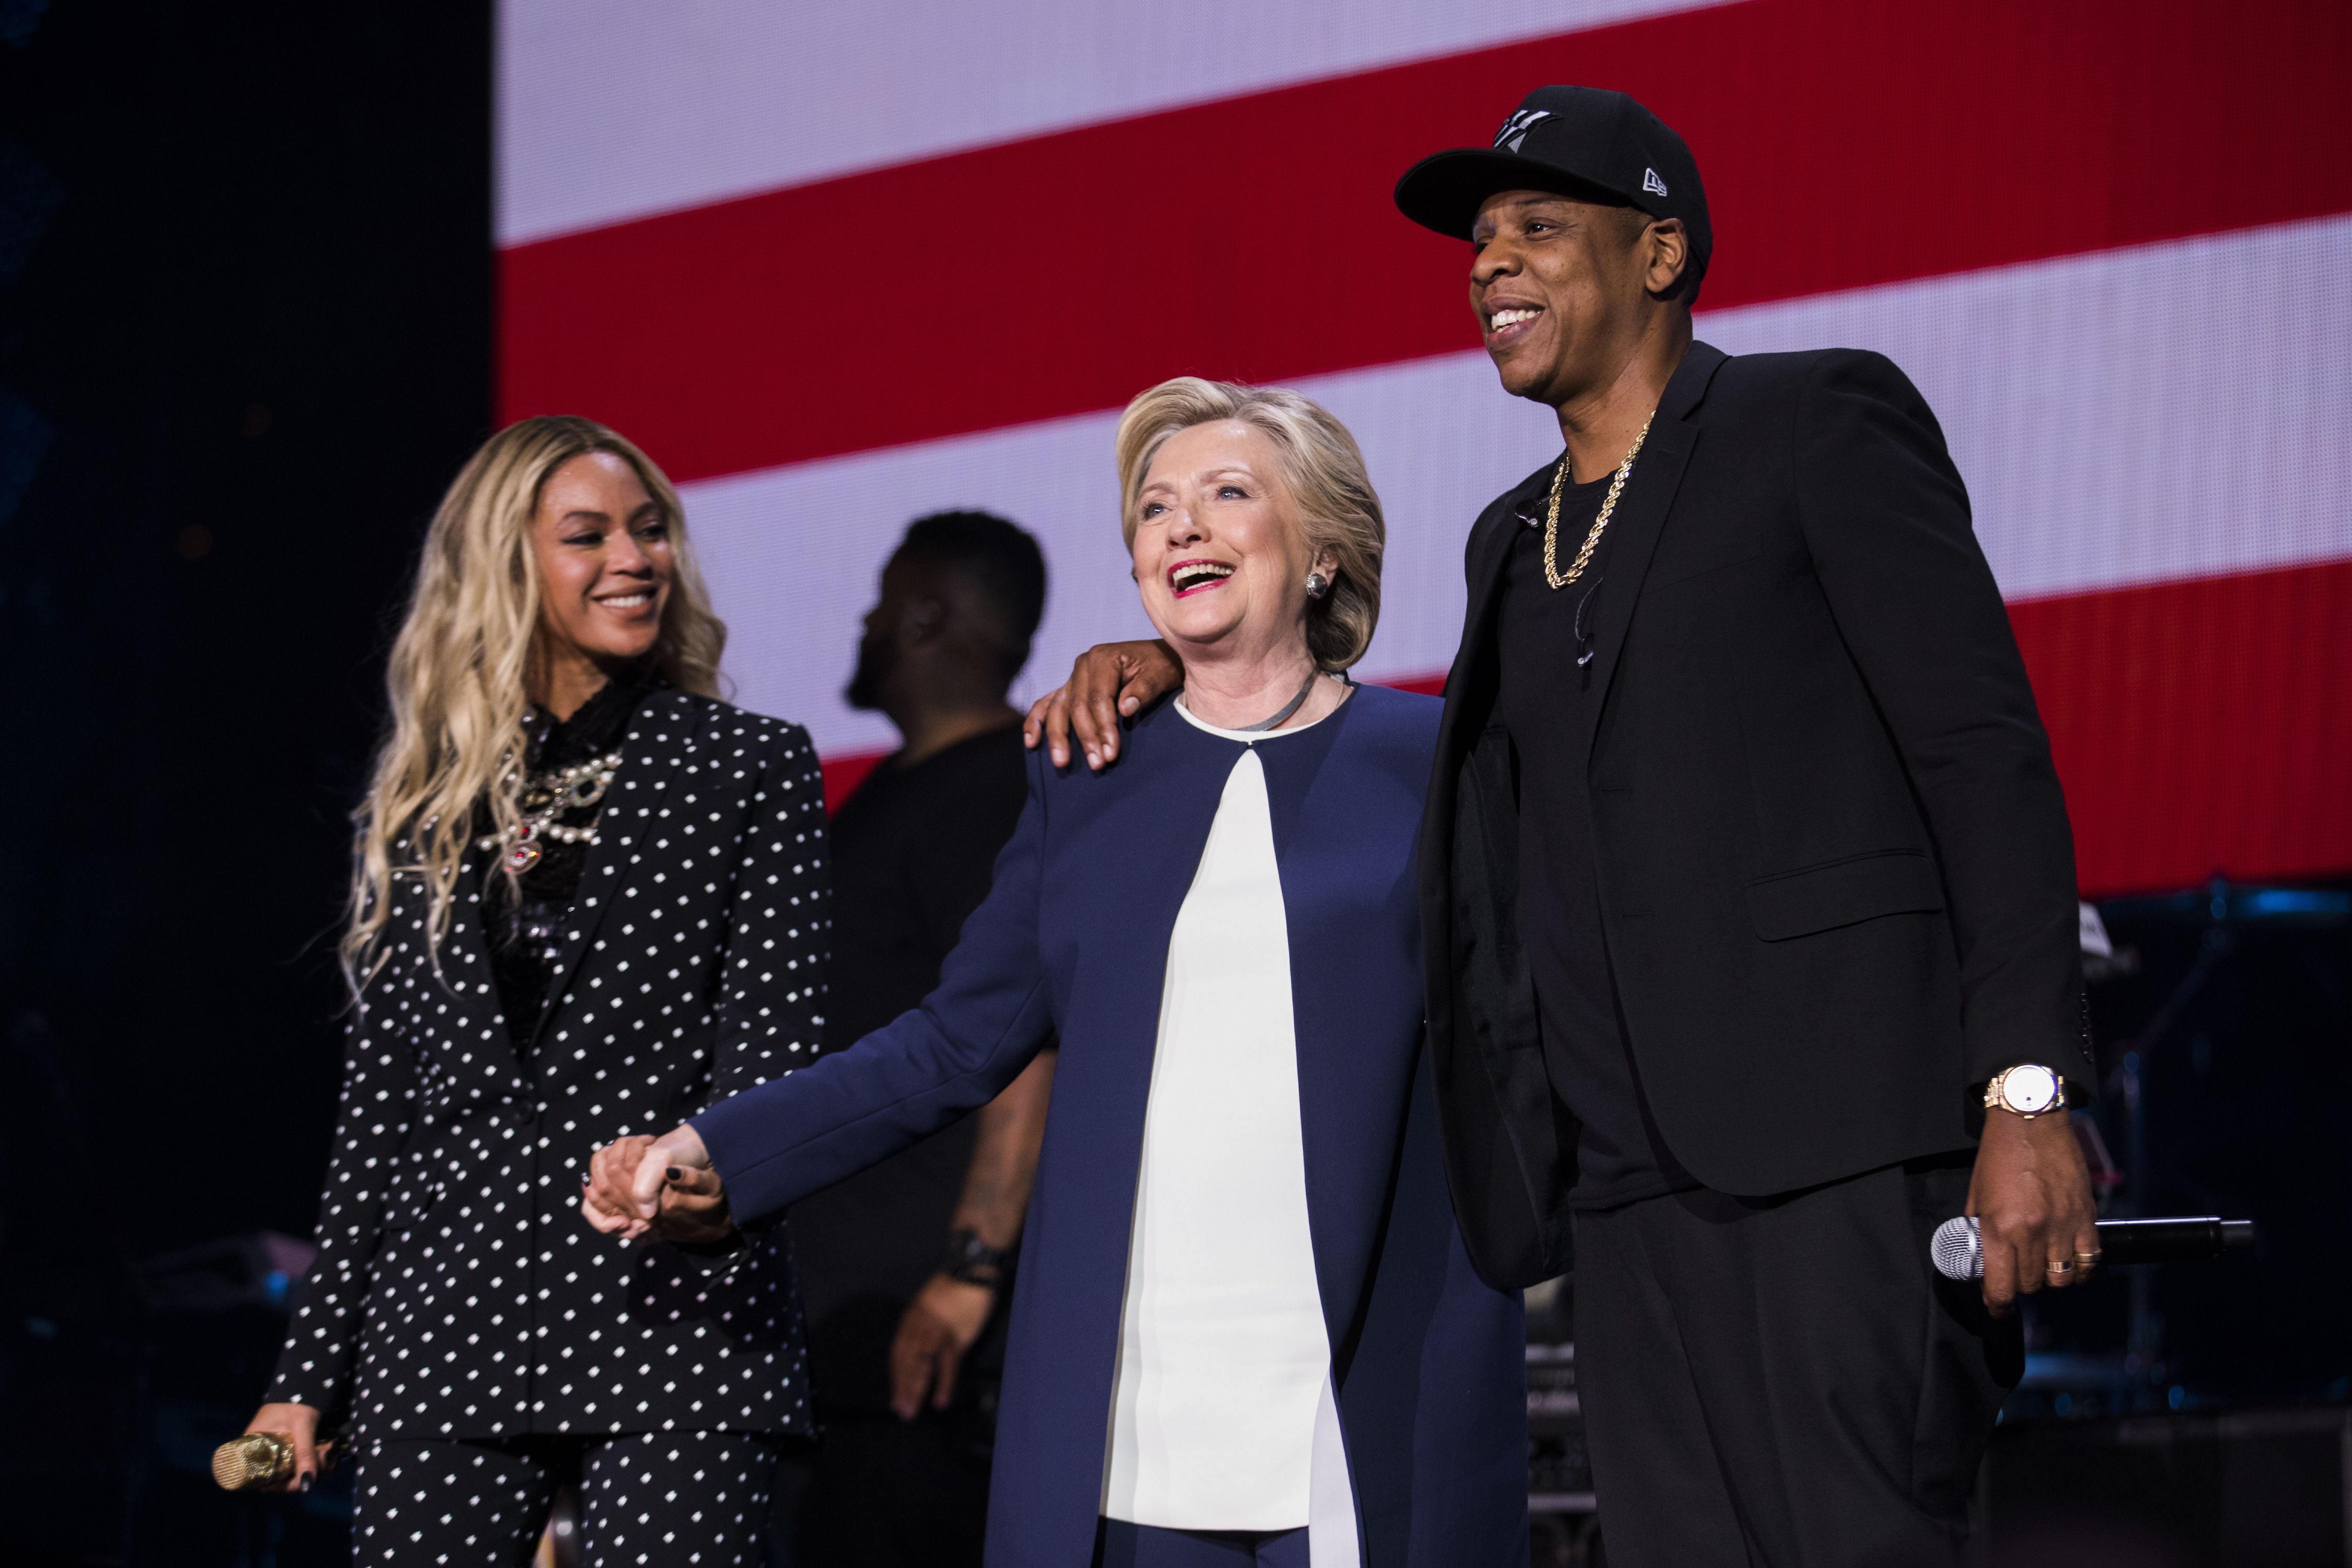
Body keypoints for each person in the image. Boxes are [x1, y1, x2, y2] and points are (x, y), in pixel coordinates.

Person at [1025, 87, 2100, 1567]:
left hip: (1839, 1161)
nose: (1488, 266)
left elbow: (1981, 757)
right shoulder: (1510, 539)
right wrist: (1178, 670)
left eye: (1537, 227)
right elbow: (1436, 788)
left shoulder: (1812, 419)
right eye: (1477, 243)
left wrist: (2027, 1091)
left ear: (1658, 252)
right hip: (1624, 1195)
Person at [585, 379, 1528, 1568]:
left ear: (1326, 550)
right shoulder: (1085, 774)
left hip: (1368, 1389)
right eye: (1153, 508)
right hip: (1136, 1415)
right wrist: (719, 1148)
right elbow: (950, 1043)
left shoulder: (1438, 765)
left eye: (1227, 495)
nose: (1179, 527)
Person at [242, 415, 828, 1566]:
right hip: (446, 1318)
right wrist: (306, 1380)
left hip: (676, 1312)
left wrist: (717, 1176)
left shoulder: (747, 765)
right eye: (588, 534)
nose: (636, 558)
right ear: (507, 565)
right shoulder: (424, 805)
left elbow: (778, 1041)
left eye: (651, 530)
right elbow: (380, 1124)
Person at [780, 511, 1057, 1567]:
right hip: (849, 1343)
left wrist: (971, 1268)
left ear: (926, 614)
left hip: (918, 1347)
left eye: (881, 599)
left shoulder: (992, 790)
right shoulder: (898, 793)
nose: (863, 623)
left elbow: (1030, 1036)